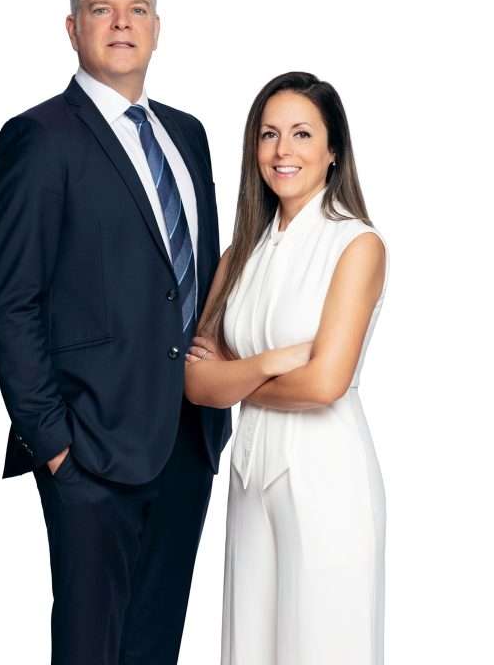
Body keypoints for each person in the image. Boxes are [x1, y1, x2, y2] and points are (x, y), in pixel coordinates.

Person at [0, 0, 231, 665]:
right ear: (73, 28)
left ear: (157, 27)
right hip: (90, 448)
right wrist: (55, 446)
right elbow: (11, 303)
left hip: (188, 438)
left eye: (137, 9)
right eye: (102, 9)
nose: (122, 23)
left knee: (155, 646)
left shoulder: (188, 135)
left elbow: (202, 279)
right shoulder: (39, 137)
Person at [185, 72, 388, 664]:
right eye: (269, 134)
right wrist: (273, 362)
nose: (282, 150)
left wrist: (235, 378)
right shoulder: (238, 255)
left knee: (323, 647)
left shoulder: (356, 245)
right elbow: (196, 383)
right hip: (251, 474)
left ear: (333, 150)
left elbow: (325, 384)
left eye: (302, 134)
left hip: (327, 476)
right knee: (248, 648)